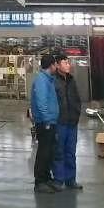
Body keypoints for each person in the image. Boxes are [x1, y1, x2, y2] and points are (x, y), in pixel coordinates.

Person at [30, 52, 60, 194]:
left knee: (49, 152)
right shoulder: (41, 80)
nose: (56, 67)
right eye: (55, 64)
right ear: (51, 65)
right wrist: (47, 120)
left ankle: (46, 178)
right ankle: (39, 182)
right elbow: (41, 103)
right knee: (43, 152)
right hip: (45, 123)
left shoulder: (48, 80)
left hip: (50, 121)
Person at [52, 51, 83, 190]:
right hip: (60, 122)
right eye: (65, 63)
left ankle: (71, 180)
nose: (68, 65)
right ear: (58, 65)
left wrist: (76, 114)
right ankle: (59, 180)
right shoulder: (53, 81)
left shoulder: (71, 80)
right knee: (58, 151)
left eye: (68, 62)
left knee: (71, 152)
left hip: (72, 122)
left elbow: (77, 99)